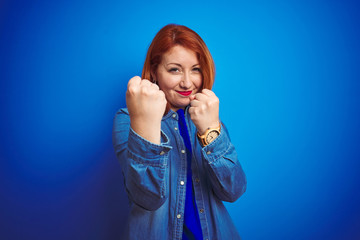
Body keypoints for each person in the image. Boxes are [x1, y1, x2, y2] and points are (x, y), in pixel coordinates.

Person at [112, 24, 247, 240]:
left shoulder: (207, 117)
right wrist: (145, 121)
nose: (187, 82)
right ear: (155, 71)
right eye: (175, 69)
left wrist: (211, 131)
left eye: (195, 69)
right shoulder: (127, 119)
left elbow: (233, 190)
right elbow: (148, 197)